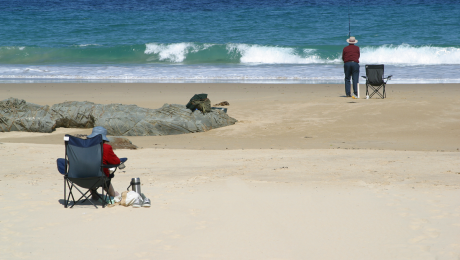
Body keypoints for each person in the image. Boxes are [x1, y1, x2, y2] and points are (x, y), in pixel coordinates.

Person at [87, 126, 121, 201]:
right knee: (103, 173)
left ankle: (93, 193)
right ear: (103, 139)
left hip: (80, 177)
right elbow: (116, 162)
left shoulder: (84, 147)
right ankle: (113, 194)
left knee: (90, 169)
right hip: (100, 178)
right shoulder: (106, 148)